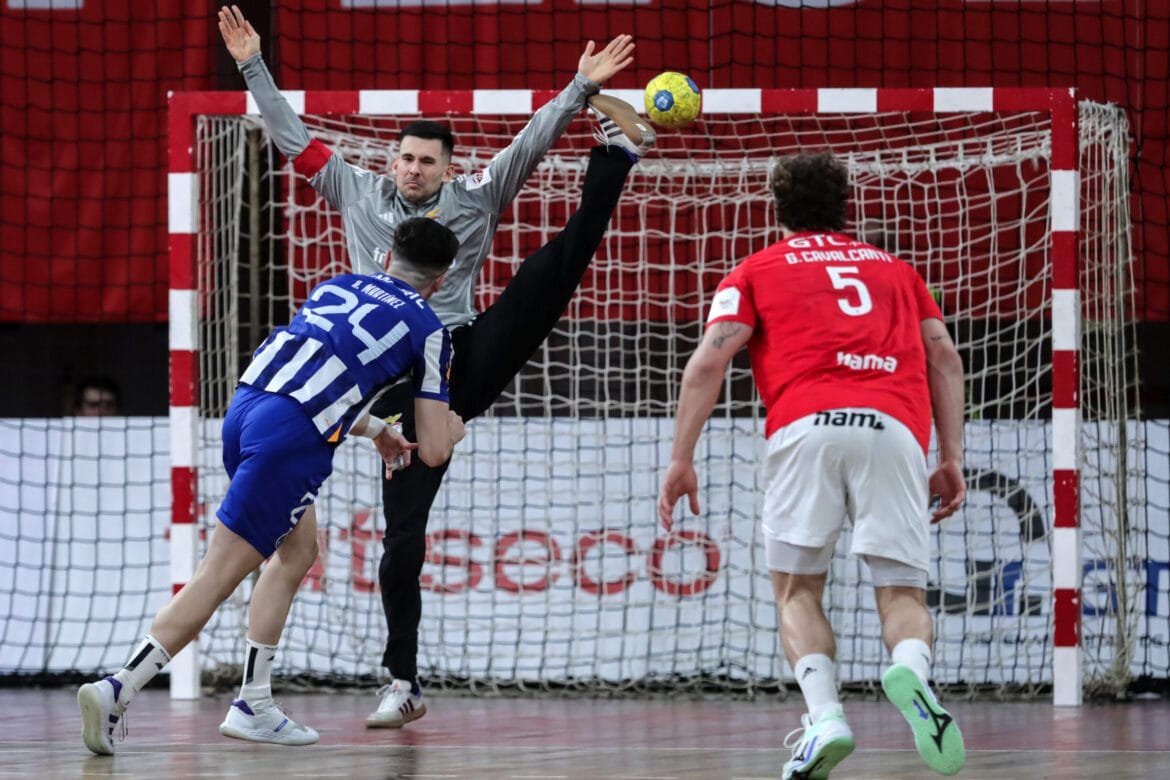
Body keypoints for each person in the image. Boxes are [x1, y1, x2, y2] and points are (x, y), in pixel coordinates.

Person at [217, 6, 655, 728]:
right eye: (406, 158)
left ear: (448, 168)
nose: (414, 169)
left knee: (549, 277)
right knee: (404, 533)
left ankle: (615, 159)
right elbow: (293, 139)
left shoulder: (478, 198)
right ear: (392, 162)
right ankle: (404, 680)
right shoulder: (357, 193)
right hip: (390, 378)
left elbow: (528, 145)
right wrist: (252, 65)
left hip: (462, 351)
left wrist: (578, 90)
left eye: (427, 161)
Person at [77, 218, 466, 755]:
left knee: (299, 548)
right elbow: (434, 449)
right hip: (293, 439)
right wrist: (453, 425)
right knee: (216, 576)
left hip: (246, 410)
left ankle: (254, 701)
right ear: (442, 281)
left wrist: (375, 429)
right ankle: (118, 687)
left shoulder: (336, 285)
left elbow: (318, 376)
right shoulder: (429, 330)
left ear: (386, 256)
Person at [657, 152, 968, 779]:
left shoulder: (753, 271)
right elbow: (945, 358)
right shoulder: (899, 272)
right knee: (902, 592)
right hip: (893, 427)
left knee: (797, 589)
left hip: (806, 427)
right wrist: (952, 455)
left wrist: (681, 458)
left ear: (778, 205)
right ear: (844, 204)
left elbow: (708, 365)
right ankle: (910, 667)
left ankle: (825, 717)